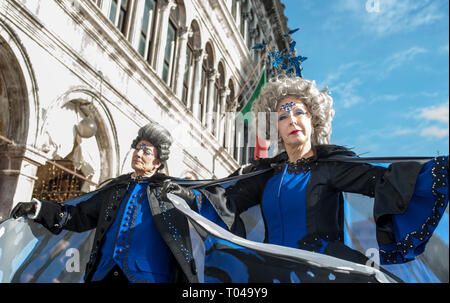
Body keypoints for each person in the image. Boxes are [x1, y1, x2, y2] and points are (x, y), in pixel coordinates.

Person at [165, 75, 449, 274]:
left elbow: (388, 183)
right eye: (283, 116)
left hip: (325, 268)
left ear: (313, 119)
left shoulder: (333, 166)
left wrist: (441, 171)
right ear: (276, 128)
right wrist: (183, 195)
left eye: (298, 112)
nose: (292, 120)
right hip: (268, 269)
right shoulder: (264, 175)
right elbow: (222, 200)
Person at [10, 121, 198, 283]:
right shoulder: (115, 188)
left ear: (157, 162)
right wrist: (39, 208)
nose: (139, 153)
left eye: (146, 151)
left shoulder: (169, 193)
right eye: (138, 147)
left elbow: (206, 208)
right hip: (104, 274)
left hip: (149, 277)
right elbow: (79, 216)